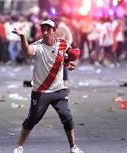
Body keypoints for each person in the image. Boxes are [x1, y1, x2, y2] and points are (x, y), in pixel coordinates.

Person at [12, 19, 84, 153]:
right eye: (43, 29)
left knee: (67, 118)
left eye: (48, 29)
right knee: (31, 120)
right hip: (41, 91)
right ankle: (19, 146)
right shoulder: (38, 46)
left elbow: (67, 56)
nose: (45, 32)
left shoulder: (63, 44)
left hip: (59, 90)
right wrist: (23, 37)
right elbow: (28, 51)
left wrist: (69, 63)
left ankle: (73, 147)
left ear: (54, 32)